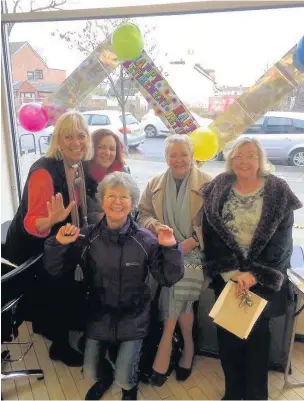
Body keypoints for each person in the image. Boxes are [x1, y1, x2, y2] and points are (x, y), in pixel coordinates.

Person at [44, 172, 184, 401]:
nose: (117, 201)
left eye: (123, 196)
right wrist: (58, 243)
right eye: (111, 195)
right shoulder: (87, 236)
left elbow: (168, 278)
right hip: (99, 314)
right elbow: (55, 269)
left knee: (125, 377)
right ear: (102, 199)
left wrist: (170, 248)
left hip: (134, 316)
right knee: (89, 373)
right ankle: (105, 377)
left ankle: (129, 387)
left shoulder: (145, 239)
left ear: (132, 202)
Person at [202, 138, 302, 400]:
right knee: (228, 335)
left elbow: (282, 241)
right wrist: (231, 272)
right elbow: (210, 233)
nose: (244, 161)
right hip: (229, 275)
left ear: (260, 160)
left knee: (256, 337)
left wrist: (253, 273)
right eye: (238, 156)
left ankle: (257, 394)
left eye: (250, 155)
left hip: (262, 276)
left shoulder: (278, 191)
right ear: (230, 160)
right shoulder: (218, 187)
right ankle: (233, 391)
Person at [5, 110, 93, 366]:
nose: (76, 142)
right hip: (31, 248)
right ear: (58, 139)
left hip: (56, 241)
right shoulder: (44, 172)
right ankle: (60, 346)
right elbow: (32, 223)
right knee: (60, 289)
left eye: (81, 136)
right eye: (68, 137)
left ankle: (48, 327)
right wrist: (52, 220)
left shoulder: (74, 165)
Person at [138, 134, 212, 385]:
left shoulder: (209, 184)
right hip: (164, 249)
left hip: (196, 253)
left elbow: (215, 226)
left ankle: (166, 345)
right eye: (173, 154)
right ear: (166, 157)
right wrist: (157, 227)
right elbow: (142, 215)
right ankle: (188, 348)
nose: (178, 159)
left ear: (192, 156)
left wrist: (192, 241)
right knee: (176, 281)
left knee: (177, 279)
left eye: (184, 154)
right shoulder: (154, 184)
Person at [84, 128, 130, 200]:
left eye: (112, 149)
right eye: (101, 147)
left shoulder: (124, 173)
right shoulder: (83, 175)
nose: (107, 153)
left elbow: (132, 205)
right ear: (92, 148)